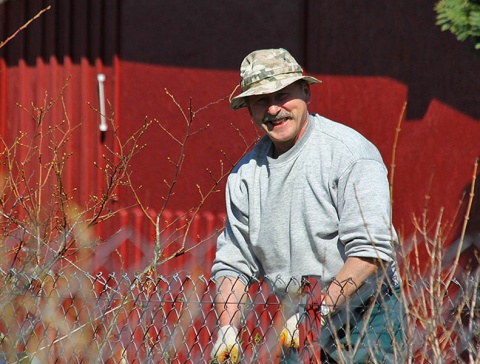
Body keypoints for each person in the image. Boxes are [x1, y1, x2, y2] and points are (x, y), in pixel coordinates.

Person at [210, 48, 405, 363]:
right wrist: (227, 331)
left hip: (367, 320)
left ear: (306, 92)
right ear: (248, 109)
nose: (274, 108)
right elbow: (234, 264)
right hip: (296, 327)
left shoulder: (349, 154)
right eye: (261, 100)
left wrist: (318, 311)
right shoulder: (245, 176)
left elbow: (371, 251)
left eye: (283, 95)